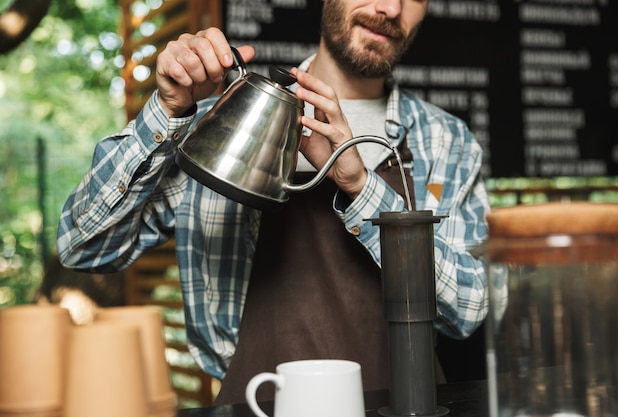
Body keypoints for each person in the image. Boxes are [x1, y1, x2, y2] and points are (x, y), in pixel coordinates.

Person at [57, 0, 490, 404]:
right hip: (257, 404)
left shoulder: (445, 141)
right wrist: (168, 110)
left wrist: (360, 184)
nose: (391, 8)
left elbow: (468, 311)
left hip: (410, 406)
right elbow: (83, 245)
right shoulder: (225, 115)